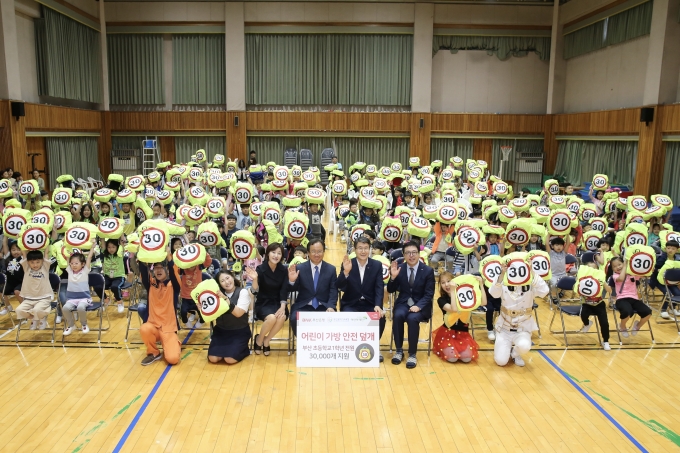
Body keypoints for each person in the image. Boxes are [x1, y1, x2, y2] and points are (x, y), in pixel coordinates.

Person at [387, 241, 435, 369]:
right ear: (403, 255)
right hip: (403, 302)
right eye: (408, 253)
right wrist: (393, 277)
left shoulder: (428, 271)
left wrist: (419, 306)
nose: (411, 255)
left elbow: (429, 294)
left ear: (419, 254)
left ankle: (412, 354)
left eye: (414, 252)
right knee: (398, 315)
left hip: (421, 305)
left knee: (412, 318)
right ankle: (399, 351)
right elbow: (391, 290)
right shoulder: (399, 268)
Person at [490, 263, 549, 367]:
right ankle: (505, 349)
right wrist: (501, 275)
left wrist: (532, 272)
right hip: (504, 328)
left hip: (523, 328)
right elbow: (494, 293)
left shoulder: (530, 283)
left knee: (524, 346)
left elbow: (544, 291)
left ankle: (515, 354)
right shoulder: (503, 280)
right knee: (501, 361)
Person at [337, 237, 386, 361]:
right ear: (354, 249)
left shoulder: (376, 265)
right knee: (348, 317)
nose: (363, 251)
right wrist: (346, 273)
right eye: (360, 248)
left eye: (366, 248)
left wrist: (378, 305)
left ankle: (373, 346)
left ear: (370, 249)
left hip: (370, 303)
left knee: (380, 317)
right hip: (351, 303)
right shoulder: (348, 263)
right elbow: (340, 286)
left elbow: (379, 287)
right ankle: (352, 347)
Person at [137, 252, 182, 366]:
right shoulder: (150, 284)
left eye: (162, 267)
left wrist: (168, 256)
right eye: (156, 268)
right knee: (144, 328)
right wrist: (143, 251)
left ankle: (172, 343)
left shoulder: (174, 285)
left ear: (167, 270)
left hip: (168, 328)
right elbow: (143, 269)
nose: (158, 270)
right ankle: (153, 353)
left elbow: (173, 271)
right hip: (154, 326)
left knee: (173, 359)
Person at [245, 243, 289, 356]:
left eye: (279, 253)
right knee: (271, 318)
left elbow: (284, 289)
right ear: (268, 254)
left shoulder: (284, 270)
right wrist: (254, 279)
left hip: (278, 302)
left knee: (282, 316)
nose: (276, 255)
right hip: (263, 302)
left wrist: (283, 306)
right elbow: (254, 291)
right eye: (273, 252)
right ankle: (259, 339)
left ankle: (266, 340)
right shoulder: (261, 268)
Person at [287, 238, 338, 335]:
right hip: (303, 306)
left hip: (324, 306)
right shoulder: (300, 268)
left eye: (319, 251)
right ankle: (304, 345)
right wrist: (291, 281)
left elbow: (333, 290)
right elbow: (291, 289)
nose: (316, 254)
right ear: (308, 253)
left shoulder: (331, 269)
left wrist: (331, 306)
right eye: (313, 251)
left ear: (324, 252)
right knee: (294, 319)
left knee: (332, 321)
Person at [432, 271, 485, 363]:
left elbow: (484, 303)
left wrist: (481, 284)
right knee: (453, 358)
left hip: (463, 333)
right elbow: (454, 309)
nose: (446, 284)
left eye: (449, 281)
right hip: (448, 333)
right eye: (443, 282)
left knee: (467, 358)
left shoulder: (465, 295)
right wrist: (453, 291)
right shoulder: (441, 300)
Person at [208, 270, 252, 364]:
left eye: (227, 278)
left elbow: (238, 313)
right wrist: (203, 308)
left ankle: (244, 349)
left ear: (232, 277)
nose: (227, 282)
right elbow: (210, 315)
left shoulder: (243, 292)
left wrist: (225, 299)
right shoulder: (215, 295)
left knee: (229, 360)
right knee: (213, 359)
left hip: (239, 332)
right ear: (219, 284)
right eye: (222, 281)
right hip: (221, 331)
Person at [609, 257, 652, 337]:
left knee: (648, 312)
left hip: (634, 299)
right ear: (613, 269)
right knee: (627, 311)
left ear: (623, 264)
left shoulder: (632, 274)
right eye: (614, 266)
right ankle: (622, 327)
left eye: (619, 264)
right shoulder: (614, 276)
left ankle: (637, 326)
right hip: (621, 299)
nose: (618, 267)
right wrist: (625, 266)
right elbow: (621, 278)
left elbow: (646, 274)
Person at [62, 242, 96, 336]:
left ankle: (84, 324)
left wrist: (92, 247)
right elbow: (67, 255)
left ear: (83, 264)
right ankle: (71, 325)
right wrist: (67, 247)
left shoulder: (85, 270)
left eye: (76, 263)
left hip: (84, 298)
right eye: (72, 263)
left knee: (81, 307)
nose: (74, 265)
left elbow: (89, 257)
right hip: (72, 299)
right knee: (65, 308)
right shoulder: (69, 271)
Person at [14, 249, 54, 330]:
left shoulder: (45, 267)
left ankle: (41, 318)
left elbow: (46, 251)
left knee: (36, 310)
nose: (35, 265)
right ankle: (34, 318)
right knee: (19, 310)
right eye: (32, 262)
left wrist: (46, 244)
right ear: (28, 262)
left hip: (44, 297)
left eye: (37, 262)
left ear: (42, 261)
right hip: (29, 298)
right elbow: (24, 252)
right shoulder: (26, 268)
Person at [101, 239, 126, 313]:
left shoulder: (120, 254)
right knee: (98, 286)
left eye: (113, 247)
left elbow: (122, 242)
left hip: (119, 277)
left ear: (117, 247)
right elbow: (102, 241)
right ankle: (106, 300)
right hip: (107, 276)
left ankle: (120, 302)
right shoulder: (105, 254)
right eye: (109, 247)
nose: (111, 249)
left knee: (114, 287)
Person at [1, 236, 23, 314]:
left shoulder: (23, 258)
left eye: (18, 249)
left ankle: (24, 308)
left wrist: (21, 238)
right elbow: (5, 244)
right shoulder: (8, 257)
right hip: (10, 282)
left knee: (17, 291)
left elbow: (24, 248)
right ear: (10, 250)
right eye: (13, 250)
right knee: (1, 291)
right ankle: (8, 307)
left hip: (21, 282)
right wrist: (6, 234)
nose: (16, 252)